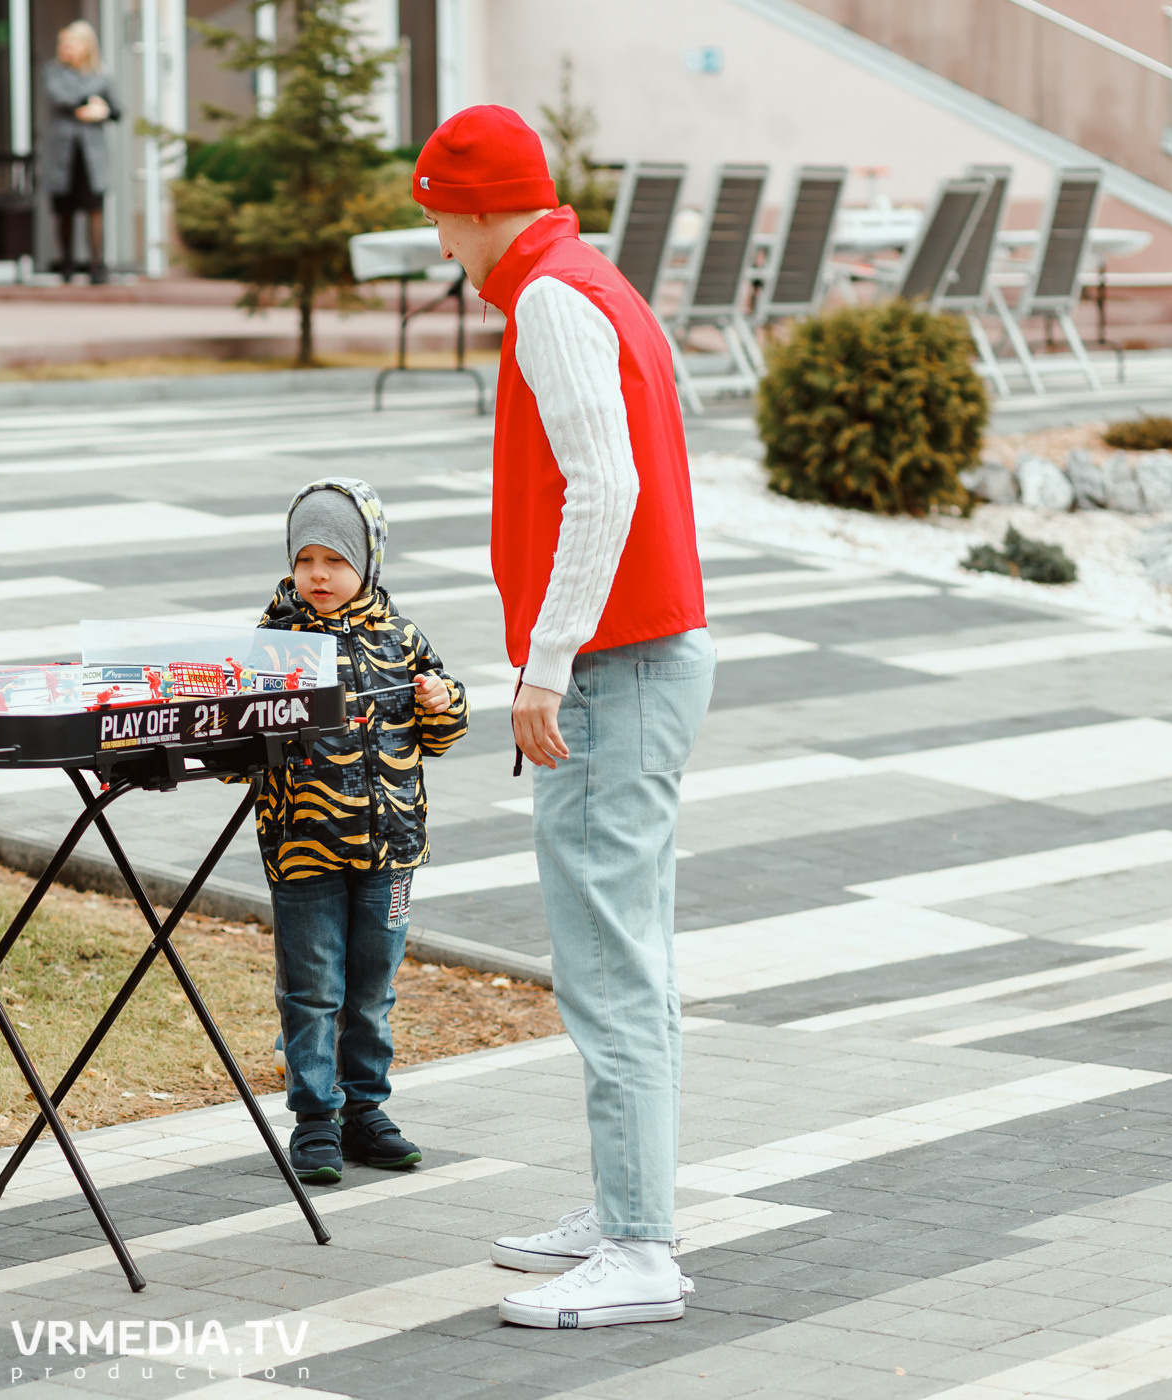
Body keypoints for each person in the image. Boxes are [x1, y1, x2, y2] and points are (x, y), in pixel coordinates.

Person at [413, 106, 715, 1331]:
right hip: (644, 659)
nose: (440, 245)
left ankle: (639, 1246)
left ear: (481, 205)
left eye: (441, 217)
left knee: (608, 964)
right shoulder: (593, 279)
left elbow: (606, 485)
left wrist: (545, 665)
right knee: (629, 951)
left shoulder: (548, 298)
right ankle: (629, 1205)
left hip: (615, 670)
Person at [252, 478, 468, 1184]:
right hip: (303, 849)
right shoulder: (274, 643)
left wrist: (441, 701)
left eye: (335, 561)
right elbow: (238, 748)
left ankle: (366, 1109)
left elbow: (443, 736)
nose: (318, 575)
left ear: (369, 561)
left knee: (373, 988)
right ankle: (317, 1117)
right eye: (305, 560)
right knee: (312, 989)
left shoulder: (401, 638)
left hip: (391, 850)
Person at [40, 21, 118, 284]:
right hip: (63, 152)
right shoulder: (53, 71)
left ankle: (97, 265)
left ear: (86, 46)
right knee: (65, 209)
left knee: (94, 207)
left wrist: (103, 110)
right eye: (63, 43)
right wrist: (91, 102)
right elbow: (60, 98)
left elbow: (116, 109)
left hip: (91, 154)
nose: (66, 48)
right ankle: (66, 264)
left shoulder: (101, 74)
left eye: (71, 43)